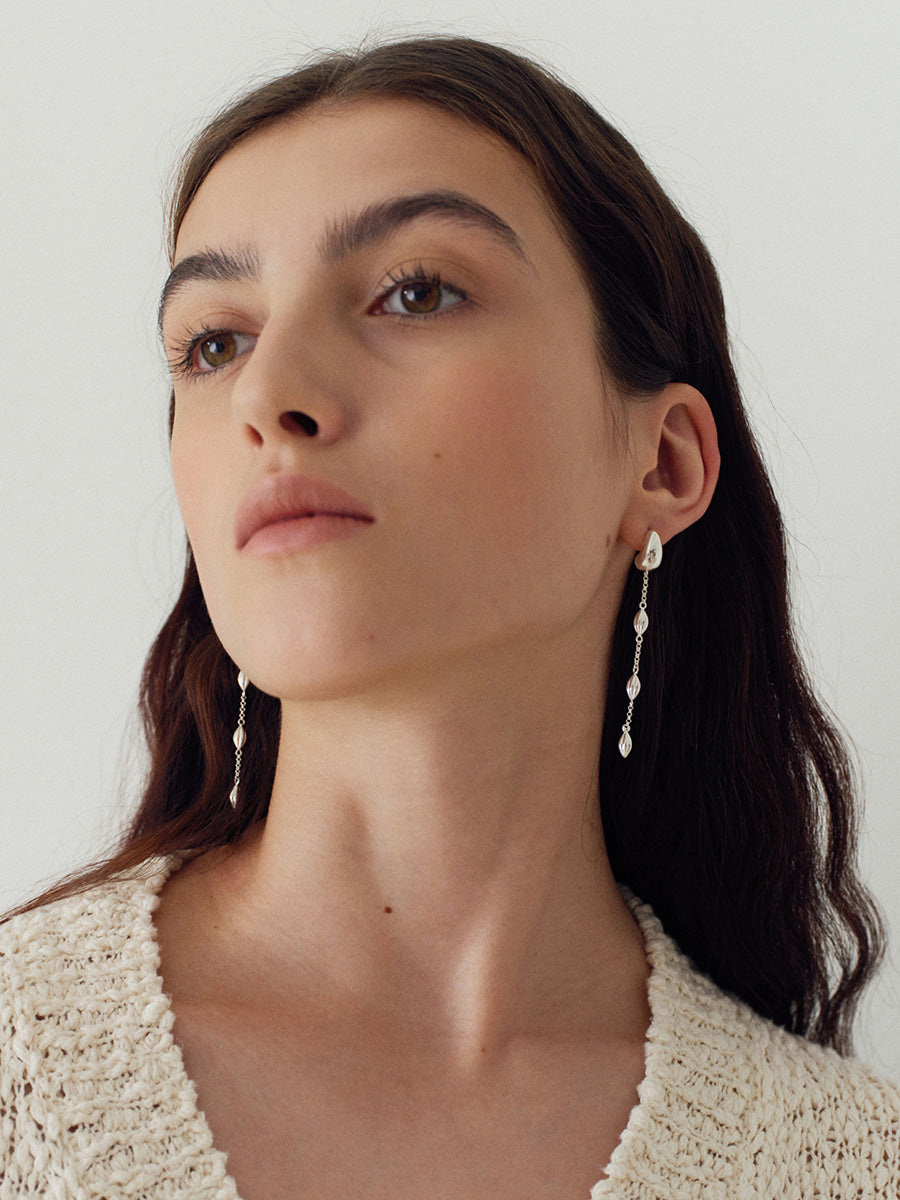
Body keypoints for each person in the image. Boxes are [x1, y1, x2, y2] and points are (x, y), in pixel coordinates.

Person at [1, 34, 898, 1200]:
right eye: (214, 344)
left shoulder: (855, 1167)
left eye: (416, 292)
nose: (268, 395)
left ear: (663, 461)